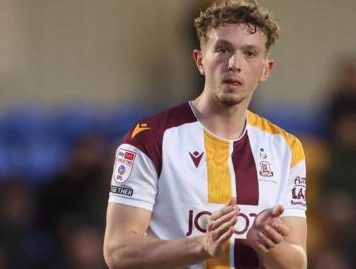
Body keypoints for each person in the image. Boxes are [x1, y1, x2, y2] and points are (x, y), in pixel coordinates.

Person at [103, 1, 307, 268]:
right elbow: (118, 251)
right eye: (223, 50)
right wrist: (202, 245)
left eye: (250, 53)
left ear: (265, 69)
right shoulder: (149, 139)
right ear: (200, 60)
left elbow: (297, 262)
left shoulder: (287, 149)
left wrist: (266, 243)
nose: (234, 64)